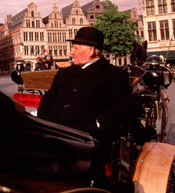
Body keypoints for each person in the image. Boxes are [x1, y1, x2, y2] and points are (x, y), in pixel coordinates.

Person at [38, 27, 136, 181]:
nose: (71, 52)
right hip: (55, 138)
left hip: (89, 144)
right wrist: (46, 124)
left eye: (75, 48)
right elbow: (48, 99)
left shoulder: (114, 75)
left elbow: (125, 107)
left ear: (90, 50)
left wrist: (97, 123)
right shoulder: (63, 73)